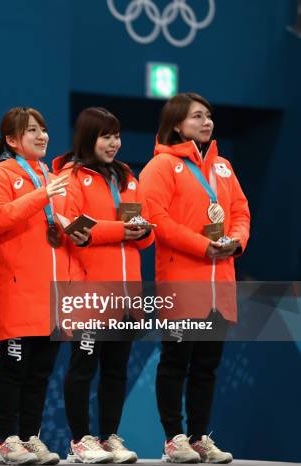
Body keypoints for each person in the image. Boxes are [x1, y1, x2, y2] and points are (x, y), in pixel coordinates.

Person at [139, 93, 250, 463]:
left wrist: (236, 242)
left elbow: (240, 212)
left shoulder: (223, 168)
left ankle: (201, 436)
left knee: (207, 366)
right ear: (176, 124)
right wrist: (204, 246)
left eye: (209, 116)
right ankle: (174, 439)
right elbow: (158, 220)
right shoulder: (161, 166)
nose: (207, 122)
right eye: (197, 116)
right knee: (176, 361)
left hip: (221, 284)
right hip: (183, 281)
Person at [0, 107, 87, 465]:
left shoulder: (50, 176)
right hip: (17, 292)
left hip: (52, 294)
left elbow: (57, 224)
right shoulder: (0, 175)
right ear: (12, 140)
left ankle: (30, 436)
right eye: (32, 131)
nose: (42, 136)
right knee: (15, 370)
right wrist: (41, 195)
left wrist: (78, 234)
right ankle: (7, 442)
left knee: (40, 373)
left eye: (43, 129)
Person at [53, 107, 154, 464]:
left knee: (116, 369)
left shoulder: (127, 176)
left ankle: (109, 436)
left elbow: (142, 233)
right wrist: (120, 231)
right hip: (87, 290)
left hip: (127, 294)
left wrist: (143, 231)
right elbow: (76, 229)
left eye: (116, 135)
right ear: (87, 137)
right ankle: (81, 440)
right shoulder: (71, 176)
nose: (113, 143)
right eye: (105, 136)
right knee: (83, 367)